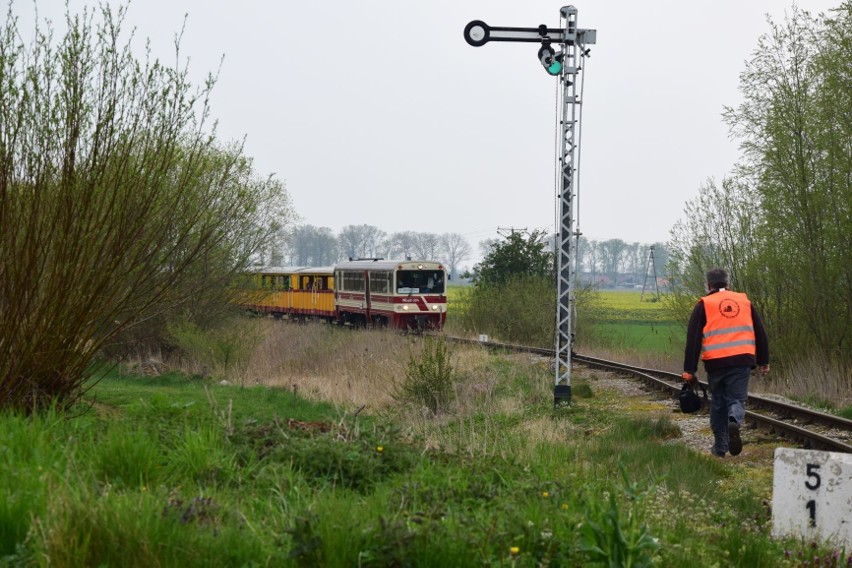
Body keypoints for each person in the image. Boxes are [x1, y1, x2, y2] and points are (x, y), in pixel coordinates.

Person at [682, 268, 769, 457]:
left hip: (716, 363)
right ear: (727, 284)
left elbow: (693, 339)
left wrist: (689, 369)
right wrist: (763, 361)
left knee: (718, 402)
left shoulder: (704, 304)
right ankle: (734, 420)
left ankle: (720, 447)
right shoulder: (744, 302)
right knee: (736, 399)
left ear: (709, 285)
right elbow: (760, 332)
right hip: (742, 360)